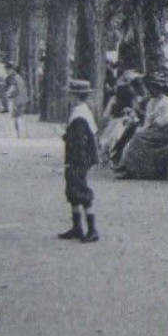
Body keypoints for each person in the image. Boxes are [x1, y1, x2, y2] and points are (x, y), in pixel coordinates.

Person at [59, 79, 100, 243]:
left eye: (70, 95)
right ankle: (77, 227)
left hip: (78, 157)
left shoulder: (79, 115)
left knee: (81, 189)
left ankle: (92, 229)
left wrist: (67, 139)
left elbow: (79, 140)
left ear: (75, 96)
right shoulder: (82, 110)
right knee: (73, 189)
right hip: (80, 156)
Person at [114, 76, 168, 179]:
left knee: (138, 138)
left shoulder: (167, 103)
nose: (151, 90)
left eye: (154, 88)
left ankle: (127, 167)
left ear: (160, 89)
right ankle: (127, 167)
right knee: (136, 135)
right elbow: (148, 122)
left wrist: (144, 132)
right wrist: (143, 130)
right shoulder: (151, 102)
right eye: (151, 87)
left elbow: (159, 123)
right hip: (156, 130)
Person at [4, 63, 27, 138]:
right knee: (19, 117)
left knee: (15, 117)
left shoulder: (13, 78)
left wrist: (7, 95)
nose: (6, 72)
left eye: (7, 70)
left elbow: (12, 89)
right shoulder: (19, 77)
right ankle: (22, 134)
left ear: (11, 69)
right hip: (22, 99)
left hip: (16, 100)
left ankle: (17, 134)